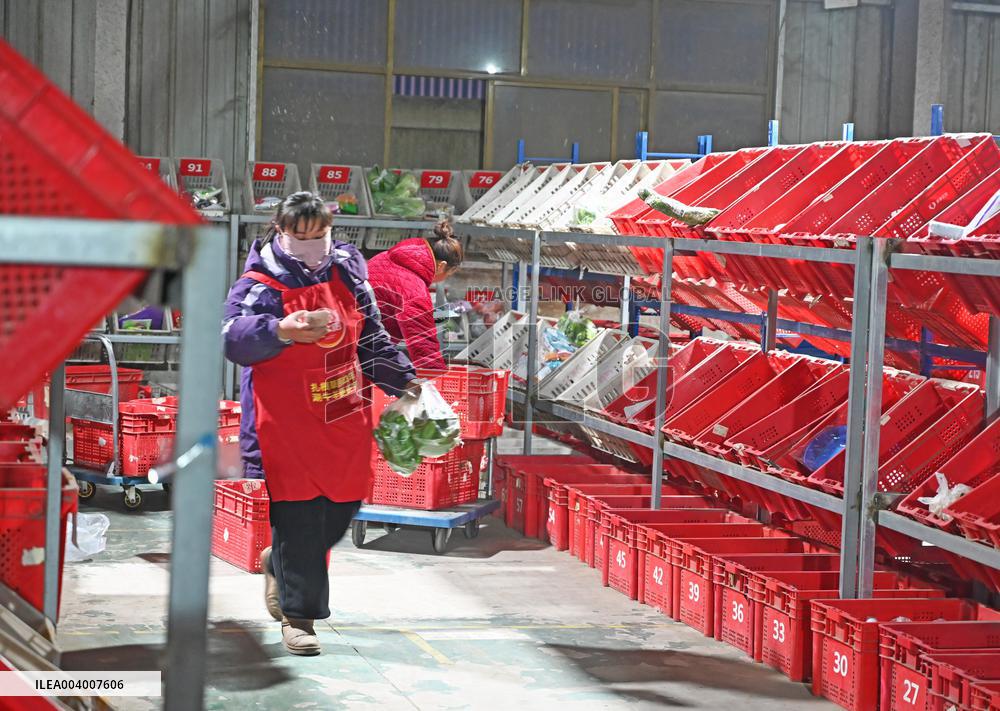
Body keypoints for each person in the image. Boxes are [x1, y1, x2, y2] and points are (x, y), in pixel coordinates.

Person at [222, 191, 418, 656]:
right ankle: (299, 618)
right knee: (301, 517)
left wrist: (404, 381)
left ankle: (281, 563)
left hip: (343, 413)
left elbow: (371, 336)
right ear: (281, 231)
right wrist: (280, 330)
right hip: (285, 424)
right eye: (300, 236)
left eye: (319, 235)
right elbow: (232, 338)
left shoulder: (347, 271)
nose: (311, 245)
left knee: (341, 507)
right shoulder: (260, 283)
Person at [367, 222, 465, 370]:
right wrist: (438, 376)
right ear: (441, 266)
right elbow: (424, 348)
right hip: (360, 350)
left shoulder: (384, 257)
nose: (445, 278)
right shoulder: (415, 290)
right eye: (449, 274)